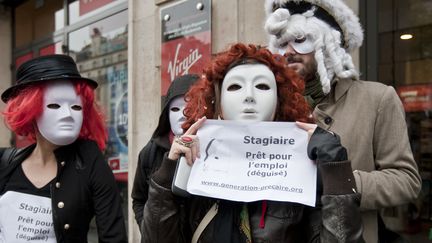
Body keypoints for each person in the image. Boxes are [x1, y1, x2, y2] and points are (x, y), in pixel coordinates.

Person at [141, 43, 364, 242]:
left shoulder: (305, 163)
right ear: (217, 102)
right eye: (235, 87)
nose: (249, 96)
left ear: (279, 101)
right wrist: (168, 174)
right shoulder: (196, 159)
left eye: (262, 86)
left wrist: (335, 170)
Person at [263, 0, 421, 242]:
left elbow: (406, 181)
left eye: (301, 39)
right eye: (282, 43)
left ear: (327, 44)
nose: (289, 51)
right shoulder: (270, 103)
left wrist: (340, 182)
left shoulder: (377, 98)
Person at [0, 55, 127, 242]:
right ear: (29, 110)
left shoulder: (88, 162)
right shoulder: (5, 162)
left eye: (76, 106)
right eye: (54, 105)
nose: (68, 115)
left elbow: (114, 237)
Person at [131, 74, 199, 231]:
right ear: (166, 113)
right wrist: (148, 229)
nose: (182, 115)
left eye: (190, 108)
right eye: (175, 108)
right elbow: (139, 199)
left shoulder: (215, 149)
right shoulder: (150, 153)